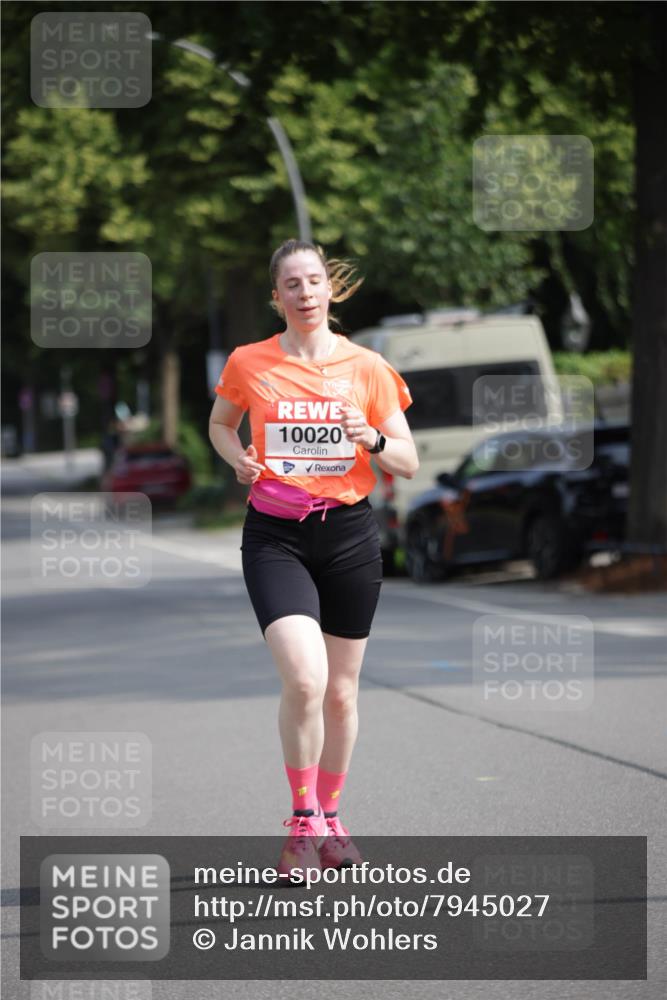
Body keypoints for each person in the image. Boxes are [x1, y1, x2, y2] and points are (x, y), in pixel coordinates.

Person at [208, 239, 418, 878]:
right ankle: (302, 821)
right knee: (305, 678)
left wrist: (372, 437)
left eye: (313, 281)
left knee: (343, 692)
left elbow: (407, 461)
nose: (304, 293)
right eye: (291, 285)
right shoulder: (251, 362)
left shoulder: (367, 367)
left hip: (349, 535)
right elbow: (220, 424)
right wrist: (236, 456)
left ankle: (331, 820)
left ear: (332, 290)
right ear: (277, 297)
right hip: (276, 536)